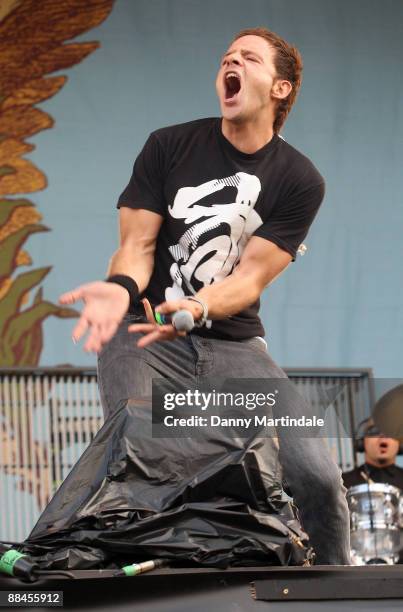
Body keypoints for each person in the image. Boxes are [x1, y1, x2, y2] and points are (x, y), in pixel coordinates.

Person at [59, 27, 350, 565]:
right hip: (143, 335)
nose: (230, 64)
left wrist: (198, 306)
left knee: (319, 481)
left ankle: (338, 592)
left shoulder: (300, 178)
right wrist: (120, 289)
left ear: (280, 88)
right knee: (142, 462)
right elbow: (137, 245)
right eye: (225, 58)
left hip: (236, 348)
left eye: (247, 58)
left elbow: (251, 278)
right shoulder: (168, 145)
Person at [343, 419, 403, 490]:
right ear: (362, 442)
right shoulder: (342, 483)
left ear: (400, 445)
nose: (383, 436)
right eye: (375, 431)